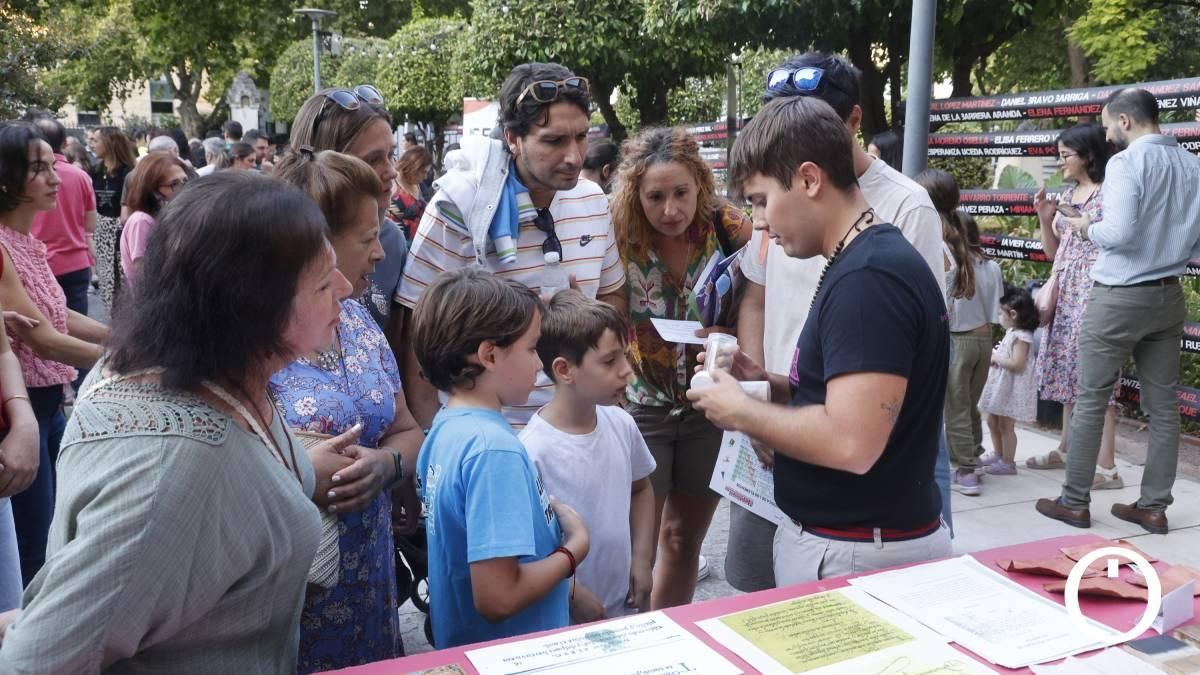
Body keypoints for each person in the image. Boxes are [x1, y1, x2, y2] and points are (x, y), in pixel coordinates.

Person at [0, 172, 354, 672]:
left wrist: (296, 471)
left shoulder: (203, 373)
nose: (345, 289)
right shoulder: (177, 473)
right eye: (322, 282)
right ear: (252, 309)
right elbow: (36, 659)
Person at [689, 95, 951, 584]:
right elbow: (856, 398)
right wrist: (765, 382)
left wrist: (742, 410)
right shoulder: (864, 260)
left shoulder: (870, 278)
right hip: (855, 546)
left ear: (809, 179)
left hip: (855, 555)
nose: (760, 221)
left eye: (762, 199)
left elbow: (852, 440)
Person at [397, 63, 626, 430]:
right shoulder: (457, 209)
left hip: (579, 432)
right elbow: (415, 335)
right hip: (491, 440)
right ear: (512, 138)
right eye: (553, 141)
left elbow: (613, 295)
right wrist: (429, 438)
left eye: (582, 137)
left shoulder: (594, 201)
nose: (573, 157)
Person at [273, 149, 424, 671]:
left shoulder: (358, 320)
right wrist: (298, 475)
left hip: (371, 584)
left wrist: (388, 466)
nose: (381, 254)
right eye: (367, 239)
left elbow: (406, 428)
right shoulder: (254, 349)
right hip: (293, 596)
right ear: (316, 246)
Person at [1036, 89, 1200, 534]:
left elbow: (1119, 233)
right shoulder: (1192, 163)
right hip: (1168, 295)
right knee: (1164, 409)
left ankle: (1074, 502)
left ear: (1126, 121)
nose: (1106, 135)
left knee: (1090, 398)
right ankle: (1152, 507)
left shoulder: (1128, 163)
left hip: (1118, 294)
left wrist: (1084, 225)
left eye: (1108, 125)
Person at [610, 126, 750, 607]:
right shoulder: (616, 231)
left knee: (682, 540)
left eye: (681, 193)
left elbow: (758, 305)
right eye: (655, 197)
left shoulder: (729, 226)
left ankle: (670, 641)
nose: (670, 209)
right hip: (639, 406)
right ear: (636, 193)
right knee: (636, 550)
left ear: (700, 182)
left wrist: (733, 339)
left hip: (708, 406)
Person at [412, 268, 589, 648]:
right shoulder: (494, 449)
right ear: (489, 355)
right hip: (513, 657)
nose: (540, 365)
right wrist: (573, 550)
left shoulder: (444, 429)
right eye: (531, 348)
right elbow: (498, 597)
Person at [0, 122, 107, 584]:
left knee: (52, 530)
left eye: (52, 166)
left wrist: (129, 339)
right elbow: (43, 337)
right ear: (7, 180)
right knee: (33, 544)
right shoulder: (3, 247)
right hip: (23, 409)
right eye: (39, 169)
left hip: (47, 402)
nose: (54, 178)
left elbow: (58, 315)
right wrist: (130, 361)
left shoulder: (26, 243)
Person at [519, 290, 655, 622]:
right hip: (565, 617)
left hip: (623, 606)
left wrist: (641, 561)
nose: (626, 370)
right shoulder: (532, 450)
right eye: (610, 361)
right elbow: (526, 550)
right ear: (565, 370)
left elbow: (642, 489)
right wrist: (571, 593)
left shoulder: (621, 423)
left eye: (624, 356)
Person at [1028, 124, 1122, 489]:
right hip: (1065, 292)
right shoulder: (1069, 193)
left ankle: (1108, 468)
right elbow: (1053, 252)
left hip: (1095, 291)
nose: (1060, 161)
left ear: (1089, 155)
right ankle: (1067, 449)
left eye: (1066, 154)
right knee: (1069, 375)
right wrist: (1044, 216)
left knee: (1097, 378)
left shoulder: (1109, 195)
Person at [289, 84, 408, 336]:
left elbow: (396, 345)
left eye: (391, 154)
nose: (391, 171)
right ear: (324, 164)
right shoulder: (277, 244)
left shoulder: (393, 241)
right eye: (372, 160)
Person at [915, 169, 1001, 495]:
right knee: (967, 407)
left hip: (956, 341)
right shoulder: (982, 263)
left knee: (955, 410)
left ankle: (965, 469)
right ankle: (973, 458)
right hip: (981, 339)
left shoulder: (939, 250)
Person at [28, 118, 97, 326]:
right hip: (75, 262)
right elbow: (90, 225)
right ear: (65, 143)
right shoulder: (81, 176)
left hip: (39, 263)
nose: (54, 179)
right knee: (75, 328)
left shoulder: (29, 179)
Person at [978, 286, 1039, 475]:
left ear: (1012, 314)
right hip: (1001, 385)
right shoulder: (1012, 332)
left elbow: (1018, 364)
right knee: (991, 420)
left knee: (1005, 425)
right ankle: (998, 453)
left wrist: (997, 359)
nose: (998, 316)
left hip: (1012, 388)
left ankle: (1008, 461)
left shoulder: (1022, 337)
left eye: (1000, 313)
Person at [119, 153, 189, 288]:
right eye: (174, 184)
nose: (183, 188)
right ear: (152, 190)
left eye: (185, 181)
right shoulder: (141, 221)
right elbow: (144, 273)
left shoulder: (163, 216)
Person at [88, 126, 136, 310]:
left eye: (96, 140)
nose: (92, 145)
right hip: (102, 233)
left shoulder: (128, 172)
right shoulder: (95, 170)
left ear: (109, 143)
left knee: (126, 284)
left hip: (122, 231)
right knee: (108, 285)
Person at [389, 146, 433, 240]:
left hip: (416, 245)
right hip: (395, 243)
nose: (425, 177)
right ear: (413, 166)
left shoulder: (419, 185)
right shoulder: (391, 183)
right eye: (423, 172)